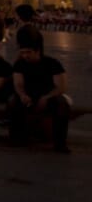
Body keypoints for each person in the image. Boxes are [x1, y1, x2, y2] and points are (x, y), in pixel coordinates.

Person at [8, 23, 71, 153]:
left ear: (37, 51)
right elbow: (18, 83)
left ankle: (60, 143)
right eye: (23, 52)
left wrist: (47, 97)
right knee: (13, 102)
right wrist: (22, 95)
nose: (25, 55)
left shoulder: (52, 63)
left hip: (49, 95)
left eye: (28, 52)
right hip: (28, 95)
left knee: (61, 104)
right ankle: (17, 138)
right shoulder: (20, 64)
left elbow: (61, 86)